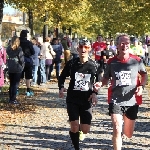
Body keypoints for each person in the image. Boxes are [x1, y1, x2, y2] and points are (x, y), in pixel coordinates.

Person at [94, 34, 148, 150]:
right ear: (117, 46)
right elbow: (106, 78)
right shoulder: (111, 62)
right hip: (116, 98)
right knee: (117, 126)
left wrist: (142, 87)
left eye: (127, 43)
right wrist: (100, 83)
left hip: (132, 100)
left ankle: (122, 135)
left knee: (128, 134)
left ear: (130, 45)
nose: (125, 45)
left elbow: (144, 75)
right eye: (122, 43)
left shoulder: (137, 60)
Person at [58, 39, 99, 150]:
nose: (83, 49)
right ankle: (77, 146)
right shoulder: (72, 63)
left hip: (86, 99)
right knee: (75, 126)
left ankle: (76, 129)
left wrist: (95, 93)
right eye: (81, 47)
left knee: (85, 129)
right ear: (77, 49)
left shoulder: (94, 65)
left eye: (86, 47)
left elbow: (99, 82)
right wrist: (61, 87)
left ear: (89, 49)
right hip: (73, 98)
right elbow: (61, 77)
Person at [6, 36, 24, 104]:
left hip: (10, 67)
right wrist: (22, 66)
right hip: (17, 67)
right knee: (15, 84)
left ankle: (10, 98)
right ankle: (13, 99)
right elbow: (21, 59)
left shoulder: (8, 49)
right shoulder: (19, 49)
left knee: (11, 84)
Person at [19, 30, 35, 96]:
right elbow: (33, 52)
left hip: (19, 60)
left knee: (19, 76)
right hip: (27, 61)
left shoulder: (17, 41)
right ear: (26, 35)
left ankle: (16, 90)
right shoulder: (28, 43)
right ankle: (28, 90)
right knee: (28, 76)